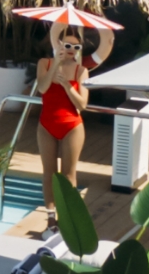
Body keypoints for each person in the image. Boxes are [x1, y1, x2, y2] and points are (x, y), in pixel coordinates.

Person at [35, 21, 104, 227]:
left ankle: (67, 218)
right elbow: (42, 88)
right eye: (67, 46)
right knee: (49, 173)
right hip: (47, 124)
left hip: (72, 126)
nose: (71, 51)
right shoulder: (44, 64)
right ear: (58, 45)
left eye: (76, 47)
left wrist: (66, 85)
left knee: (68, 175)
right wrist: (56, 63)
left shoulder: (81, 71)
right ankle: (50, 219)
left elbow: (82, 104)